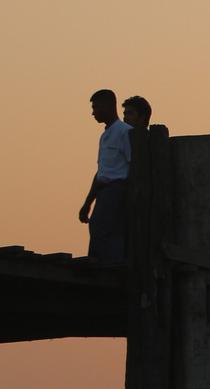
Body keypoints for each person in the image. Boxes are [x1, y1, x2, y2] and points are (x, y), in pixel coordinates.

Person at [79, 90, 134, 263]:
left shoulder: (125, 132)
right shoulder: (105, 136)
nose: (93, 113)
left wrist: (128, 196)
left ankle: (112, 266)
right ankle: (102, 263)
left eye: (96, 107)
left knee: (103, 230)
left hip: (117, 188)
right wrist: (87, 202)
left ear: (108, 106)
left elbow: (133, 166)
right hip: (104, 190)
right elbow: (101, 172)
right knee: (99, 228)